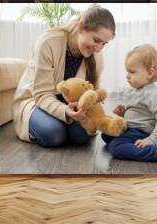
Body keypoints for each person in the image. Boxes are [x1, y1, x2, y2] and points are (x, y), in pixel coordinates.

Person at [13, 5, 116, 147]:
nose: (99, 48)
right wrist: (65, 112)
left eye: (104, 44)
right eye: (96, 40)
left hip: (71, 106)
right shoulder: (48, 42)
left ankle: (65, 127)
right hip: (36, 100)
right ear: (81, 27)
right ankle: (46, 126)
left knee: (82, 136)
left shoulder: (97, 57)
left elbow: (92, 92)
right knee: (54, 134)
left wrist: (91, 104)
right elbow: (42, 94)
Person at [101, 44, 157, 162]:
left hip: (140, 133)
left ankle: (154, 153)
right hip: (130, 128)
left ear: (150, 73)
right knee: (106, 134)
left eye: (132, 72)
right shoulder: (133, 90)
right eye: (127, 71)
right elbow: (137, 113)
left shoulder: (153, 94)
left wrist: (151, 140)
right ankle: (126, 145)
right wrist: (122, 113)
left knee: (114, 148)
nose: (127, 76)